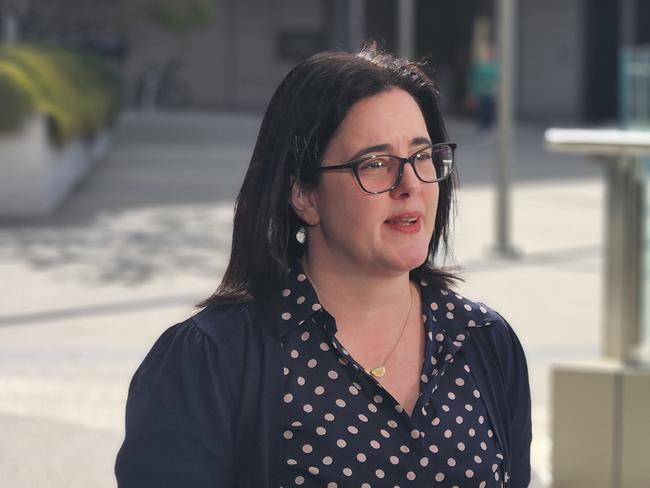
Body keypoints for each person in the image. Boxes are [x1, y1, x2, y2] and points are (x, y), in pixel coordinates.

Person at [115, 45, 531, 487]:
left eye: (422, 156)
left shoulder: (485, 342)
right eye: (375, 164)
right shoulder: (210, 361)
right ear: (304, 196)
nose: (409, 185)